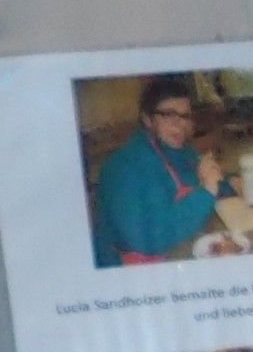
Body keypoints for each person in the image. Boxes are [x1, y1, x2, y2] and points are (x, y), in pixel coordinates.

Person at [92, 75, 227, 267]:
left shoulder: (182, 151)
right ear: (147, 119)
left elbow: (210, 183)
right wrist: (206, 192)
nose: (180, 125)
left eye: (185, 116)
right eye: (169, 115)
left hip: (177, 247)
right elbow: (147, 239)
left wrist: (229, 183)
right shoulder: (123, 168)